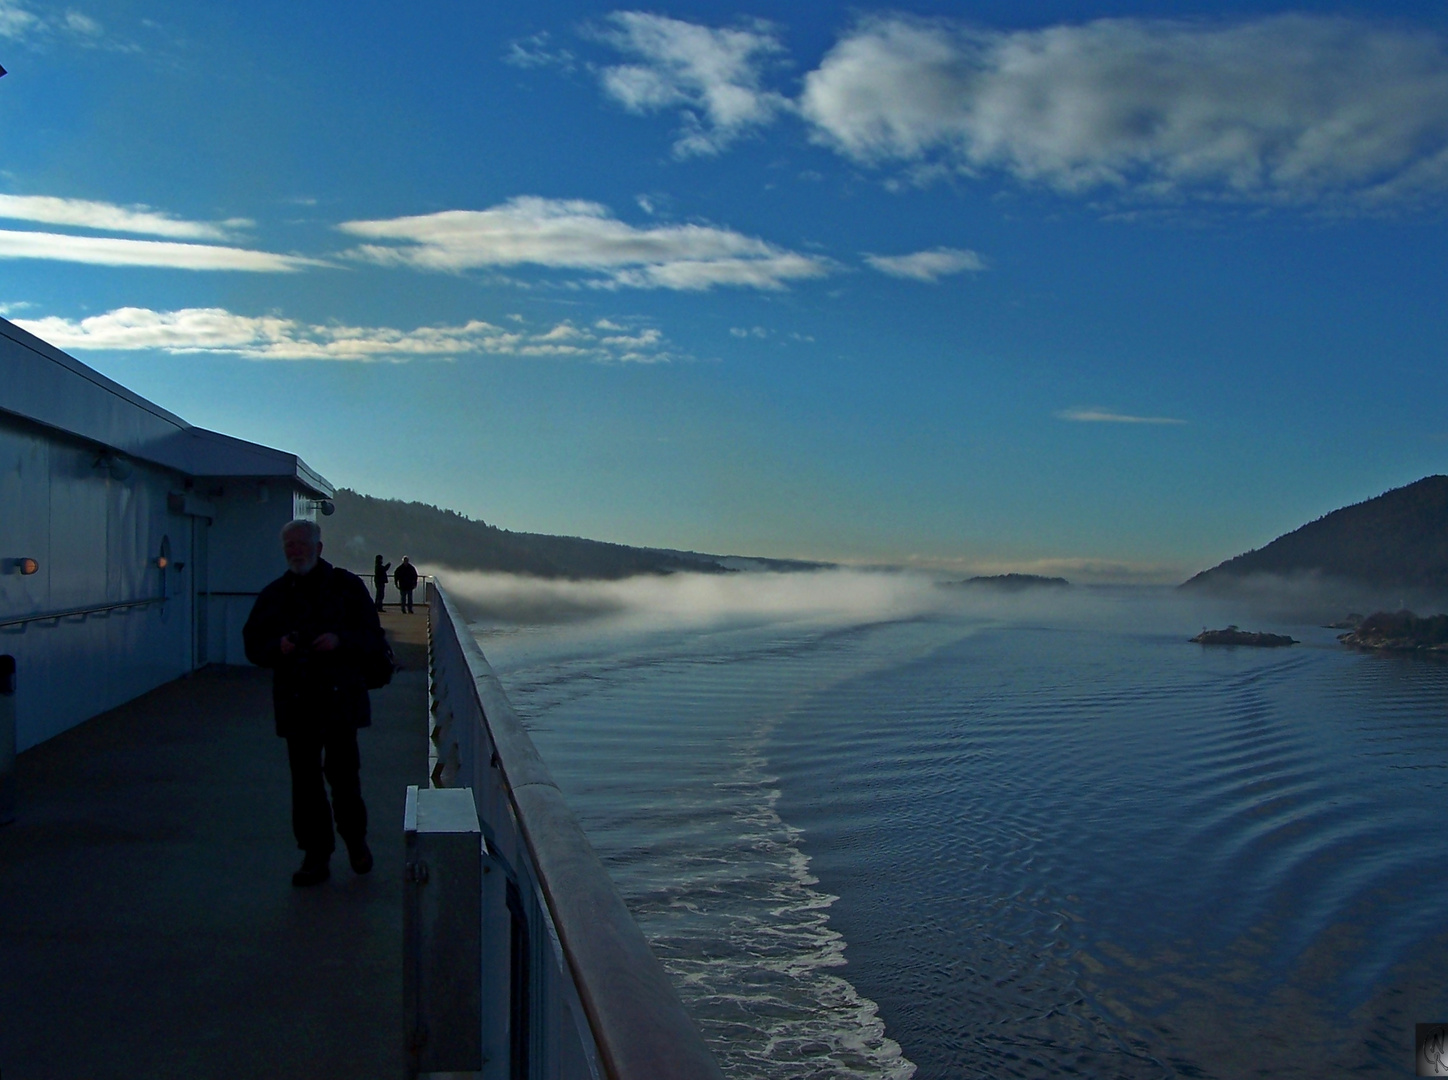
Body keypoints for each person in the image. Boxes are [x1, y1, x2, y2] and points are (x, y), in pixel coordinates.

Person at [244, 519, 382, 887]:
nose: (295, 550)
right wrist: (279, 648)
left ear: (319, 548)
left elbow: (372, 637)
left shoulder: (346, 587)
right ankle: (315, 856)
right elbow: (254, 645)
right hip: (297, 702)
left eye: (302, 544)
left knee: (344, 778)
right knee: (305, 784)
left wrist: (340, 640)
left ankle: (356, 843)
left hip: (339, 701)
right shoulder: (274, 595)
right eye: (289, 545)